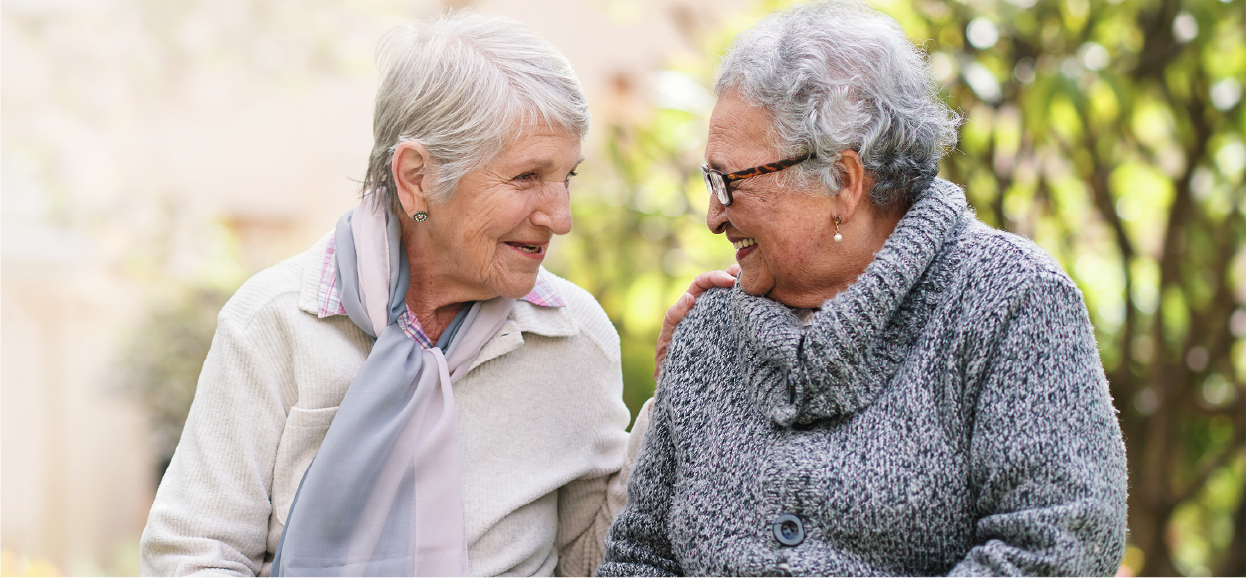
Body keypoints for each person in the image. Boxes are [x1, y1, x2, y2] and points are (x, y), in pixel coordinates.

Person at [601, 2, 1129, 577]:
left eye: (731, 182)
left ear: (843, 183)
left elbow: (1056, 547)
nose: (713, 215)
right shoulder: (708, 334)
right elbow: (640, 556)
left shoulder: (1012, 303)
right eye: (710, 181)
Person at [140, 14, 651, 578]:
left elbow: (590, 561)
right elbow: (193, 554)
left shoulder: (574, 337)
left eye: (567, 177)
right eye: (528, 177)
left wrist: (671, 407)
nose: (560, 217)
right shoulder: (275, 322)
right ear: (416, 177)